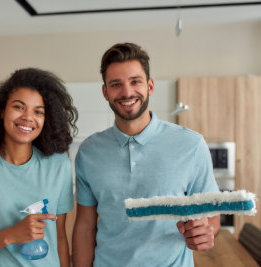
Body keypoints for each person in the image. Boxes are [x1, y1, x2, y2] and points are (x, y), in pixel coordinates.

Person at [72, 43, 220, 267]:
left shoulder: (191, 144)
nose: (127, 92)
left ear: (150, 86)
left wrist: (205, 231)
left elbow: (212, 215)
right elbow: (85, 226)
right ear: (105, 92)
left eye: (135, 81)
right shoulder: (89, 151)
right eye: (116, 84)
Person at [0, 68, 78, 267]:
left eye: (38, 111)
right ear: (2, 110)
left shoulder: (58, 166)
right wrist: (9, 236)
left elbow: (60, 238)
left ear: (46, 119)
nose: (28, 117)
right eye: (19, 107)